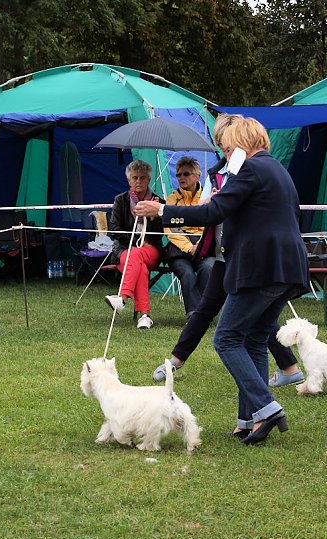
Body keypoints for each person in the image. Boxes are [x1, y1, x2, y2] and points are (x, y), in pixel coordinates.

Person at [136, 116, 309, 445]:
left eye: (227, 147)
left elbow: (214, 213)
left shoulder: (251, 169)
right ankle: (250, 419)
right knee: (254, 340)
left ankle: (267, 408)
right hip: (287, 268)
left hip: (262, 268)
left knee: (226, 339)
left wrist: (162, 211)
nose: (224, 153)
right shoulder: (276, 169)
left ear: (242, 141)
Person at [105, 159, 165, 329]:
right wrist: (135, 241)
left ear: (148, 180)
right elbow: (114, 230)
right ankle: (144, 316)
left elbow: (161, 233)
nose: (138, 181)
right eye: (135, 178)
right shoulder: (120, 200)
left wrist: (153, 218)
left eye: (143, 178)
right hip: (125, 249)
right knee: (140, 266)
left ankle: (122, 299)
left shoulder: (158, 201)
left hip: (151, 249)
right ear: (129, 180)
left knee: (137, 256)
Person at [164, 156, 217, 315]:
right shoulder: (172, 199)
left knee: (209, 268)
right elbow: (171, 229)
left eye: (186, 174)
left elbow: (211, 226)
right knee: (186, 273)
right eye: (178, 174)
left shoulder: (208, 197)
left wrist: (199, 246)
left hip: (205, 246)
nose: (181, 178)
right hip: (179, 250)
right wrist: (188, 248)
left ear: (197, 176)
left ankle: (203, 311)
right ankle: (194, 314)